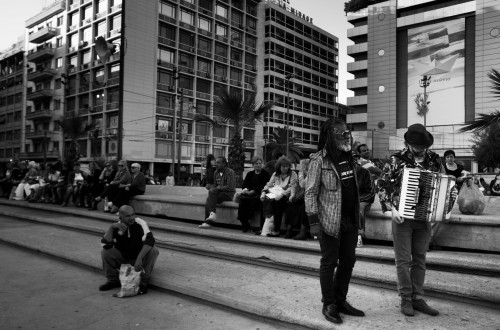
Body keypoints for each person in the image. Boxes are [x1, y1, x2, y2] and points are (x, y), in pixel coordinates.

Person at [380, 123, 445, 317]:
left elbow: (442, 183)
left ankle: (418, 298)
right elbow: (381, 185)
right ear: (408, 142)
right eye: (417, 145)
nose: (421, 149)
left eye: (423, 145)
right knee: (403, 261)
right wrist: (391, 210)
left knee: (420, 259)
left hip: (424, 217)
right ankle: (406, 299)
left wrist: (441, 210)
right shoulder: (396, 160)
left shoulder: (434, 159)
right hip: (402, 217)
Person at [305, 118, 365, 324]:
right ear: (330, 136)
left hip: (349, 220)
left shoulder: (349, 157)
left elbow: (353, 189)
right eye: (342, 133)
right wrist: (313, 221)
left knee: (348, 261)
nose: (347, 135)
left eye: (347, 132)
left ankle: (340, 300)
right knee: (329, 262)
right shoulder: (318, 160)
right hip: (329, 220)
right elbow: (310, 192)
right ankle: (328, 303)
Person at [99, 205, 159, 295]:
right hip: (124, 260)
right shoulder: (116, 226)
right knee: (106, 252)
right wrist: (111, 227)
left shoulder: (140, 223)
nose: (131, 218)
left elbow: (150, 240)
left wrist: (139, 258)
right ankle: (113, 280)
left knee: (153, 250)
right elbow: (104, 244)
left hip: (139, 262)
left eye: (132, 215)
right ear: (120, 217)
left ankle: (143, 282)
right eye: (128, 216)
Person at [259, 156, 298, 237]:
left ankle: (276, 230)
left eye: (287, 166)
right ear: (279, 166)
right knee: (264, 201)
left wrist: (282, 194)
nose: (285, 168)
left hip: (287, 196)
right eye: (283, 166)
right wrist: (263, 192)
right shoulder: (275, 174)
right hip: (275, 194)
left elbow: (292, 187)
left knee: (277, 203)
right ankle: (263, 228)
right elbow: (269, 184)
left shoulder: (293, 174)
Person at [199, 157, 236, 228]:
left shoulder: (230, 172)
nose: (216, 164)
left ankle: (208, 221)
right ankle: (211, 215)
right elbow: (216, 185)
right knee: (209, 198)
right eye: (216, 162)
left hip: (228, 194)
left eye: (218, 163)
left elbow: (230, 187)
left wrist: (217, 188)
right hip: (217, 193)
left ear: (224, 164)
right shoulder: (216, 172)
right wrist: (210, 186)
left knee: (211, 196)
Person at [237, 156, 270, 232]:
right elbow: (244, 186)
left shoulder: (265, 174)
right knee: (242, 202)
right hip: (248, 194)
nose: (258, 165)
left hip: (259, 195)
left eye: (260, 163)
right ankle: (245, 223)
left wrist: (254, 191)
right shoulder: (250, 174)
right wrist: (247, 190)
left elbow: (264, 186)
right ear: (253, 165)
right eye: (256, 163)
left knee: (253, 203)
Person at [352, 152, 375, 247]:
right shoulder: (347, 172)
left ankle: (359, 235)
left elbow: (371, 192)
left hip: (364, 200)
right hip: (351, 200)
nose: (354, 161)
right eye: (352, 159)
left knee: (359, 208)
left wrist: (358, 200)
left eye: (356, 159)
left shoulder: (366, 173)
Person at [285, 158, 309, 240]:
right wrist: (292, 195)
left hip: (310, 199)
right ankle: (289, 230)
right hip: (301, 197)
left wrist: (302, 175)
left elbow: (303, 185)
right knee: (290, 207)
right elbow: (294, 185)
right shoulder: (300, 174)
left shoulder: (311, 174)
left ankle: (303, 232)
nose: (301, 168)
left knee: (304, 208)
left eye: (302, 166)